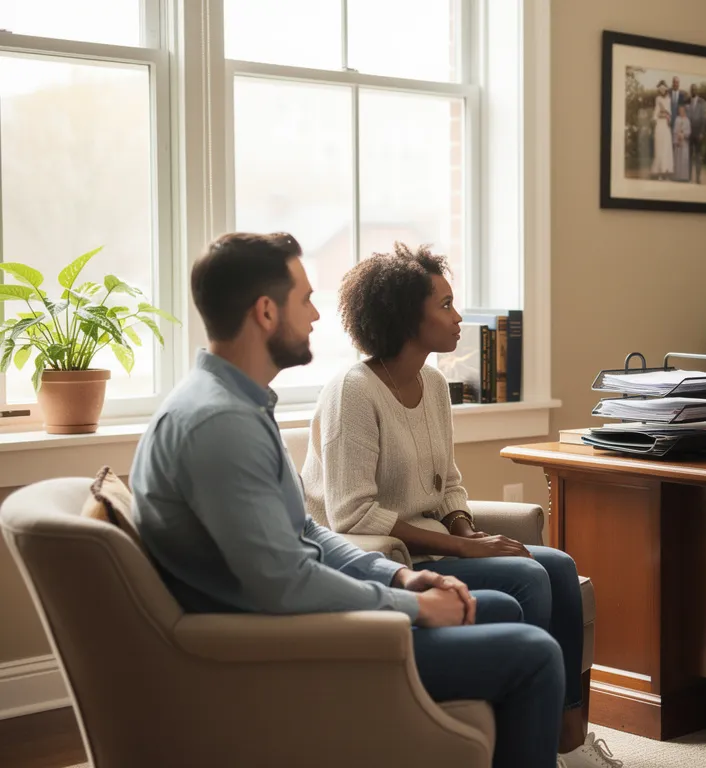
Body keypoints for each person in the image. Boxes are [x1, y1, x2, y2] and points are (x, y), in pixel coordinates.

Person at [129, 232, 566, 768]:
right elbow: (285, 584)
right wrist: (413, 606)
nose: (317, 315)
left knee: (500, 607)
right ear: (266, 312)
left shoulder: (238, 407)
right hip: (284, 649)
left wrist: (400, 577)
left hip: (297, 620)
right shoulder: (220, 424)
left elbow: (307, 533)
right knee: (534, 654)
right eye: (305, 299)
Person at [301, 242, 622, 768]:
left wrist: (466, 529)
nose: (459, 318)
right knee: (529, 577)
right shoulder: (353, 391)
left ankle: (567, 738)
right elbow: (351, 514)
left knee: (559, 567)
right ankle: (526, 737)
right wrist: (460, 548)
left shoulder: (432, 382)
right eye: (446, 305)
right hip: (391, 556)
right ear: (407, 317)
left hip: (438, 542)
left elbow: (448, 480)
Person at [651, 81, 674, 180]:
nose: (662, 91)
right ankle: (660, 173)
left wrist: (667, 116)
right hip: (659, 126)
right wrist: (661, 115)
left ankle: (666, 172)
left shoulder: (669, 99)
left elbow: (670, 113)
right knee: (659, 148)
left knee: (666, 149)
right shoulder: (658, 99)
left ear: (666, 89)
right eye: (661, 89)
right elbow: (655, 115)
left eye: (664, 89)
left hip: (666, 126)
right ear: (659, 90)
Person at [687, 83, 706, 183]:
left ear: (697, 91)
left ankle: (698, 177)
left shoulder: (702, 102)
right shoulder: (687, 101)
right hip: (689, 132)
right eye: (692, 89)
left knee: (698, 156)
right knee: (689, 155)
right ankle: (688, 177)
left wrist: (701, 132)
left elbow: (704, 118)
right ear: (690, 91)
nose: (693, 91)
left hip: (698, 133)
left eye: (695, 89)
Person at [673, 104, 691, 182]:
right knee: (677, 159)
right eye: (680, 110)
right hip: (678, 141)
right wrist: (677, 137)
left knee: (684, 159)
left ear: (684, 111)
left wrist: (683, 135)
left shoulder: (687, 120)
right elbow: (675, 130)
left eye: (682, 110)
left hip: (684, 142)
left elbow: (689, 131)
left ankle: (684, 177)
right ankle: (677, 176)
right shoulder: (677, 119)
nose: (681, 112)